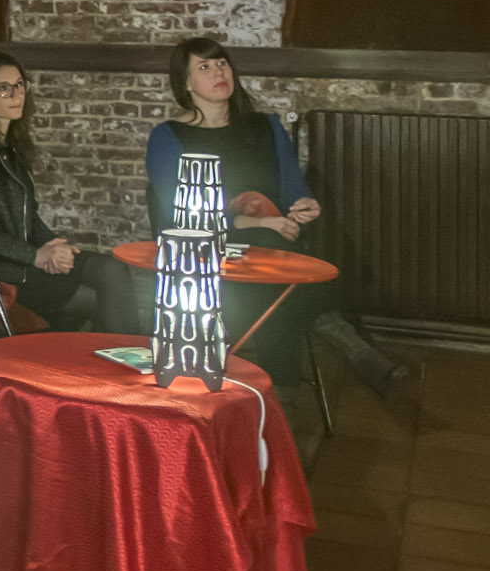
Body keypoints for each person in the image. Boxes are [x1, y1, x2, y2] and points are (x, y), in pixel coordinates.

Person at [145, 37, 406, 399]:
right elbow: (179, 211)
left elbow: (292, 188)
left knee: (279, 279)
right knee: (284, 282)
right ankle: (327, 368)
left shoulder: (265, 126)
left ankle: (280, 400)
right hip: (208, 254)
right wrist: (254, 224)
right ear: (186, 83)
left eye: (221, 63)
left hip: (272, 244)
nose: (219, 72)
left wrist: (303, 203)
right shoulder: (168, 137)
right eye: (204, 67)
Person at [0, 51, 138, 335]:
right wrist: (36, 256)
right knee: (100, 296)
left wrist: (54, 245)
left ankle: (119, 366)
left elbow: (26, 214)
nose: (16, 94)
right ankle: (126, 368)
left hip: (20, 259)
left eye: (20, 85)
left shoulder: (8, 143)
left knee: (110, 270)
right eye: (3, 89)